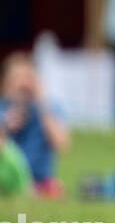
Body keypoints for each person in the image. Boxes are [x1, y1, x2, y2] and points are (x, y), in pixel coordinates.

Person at [0, 52, 70, 197]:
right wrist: (5, 127)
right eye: (17, 78)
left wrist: (43, 106)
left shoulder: (49, 108)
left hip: (40, 180)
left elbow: (61, 144)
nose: (23, 84)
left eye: (28, 78)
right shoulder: (3, 109)